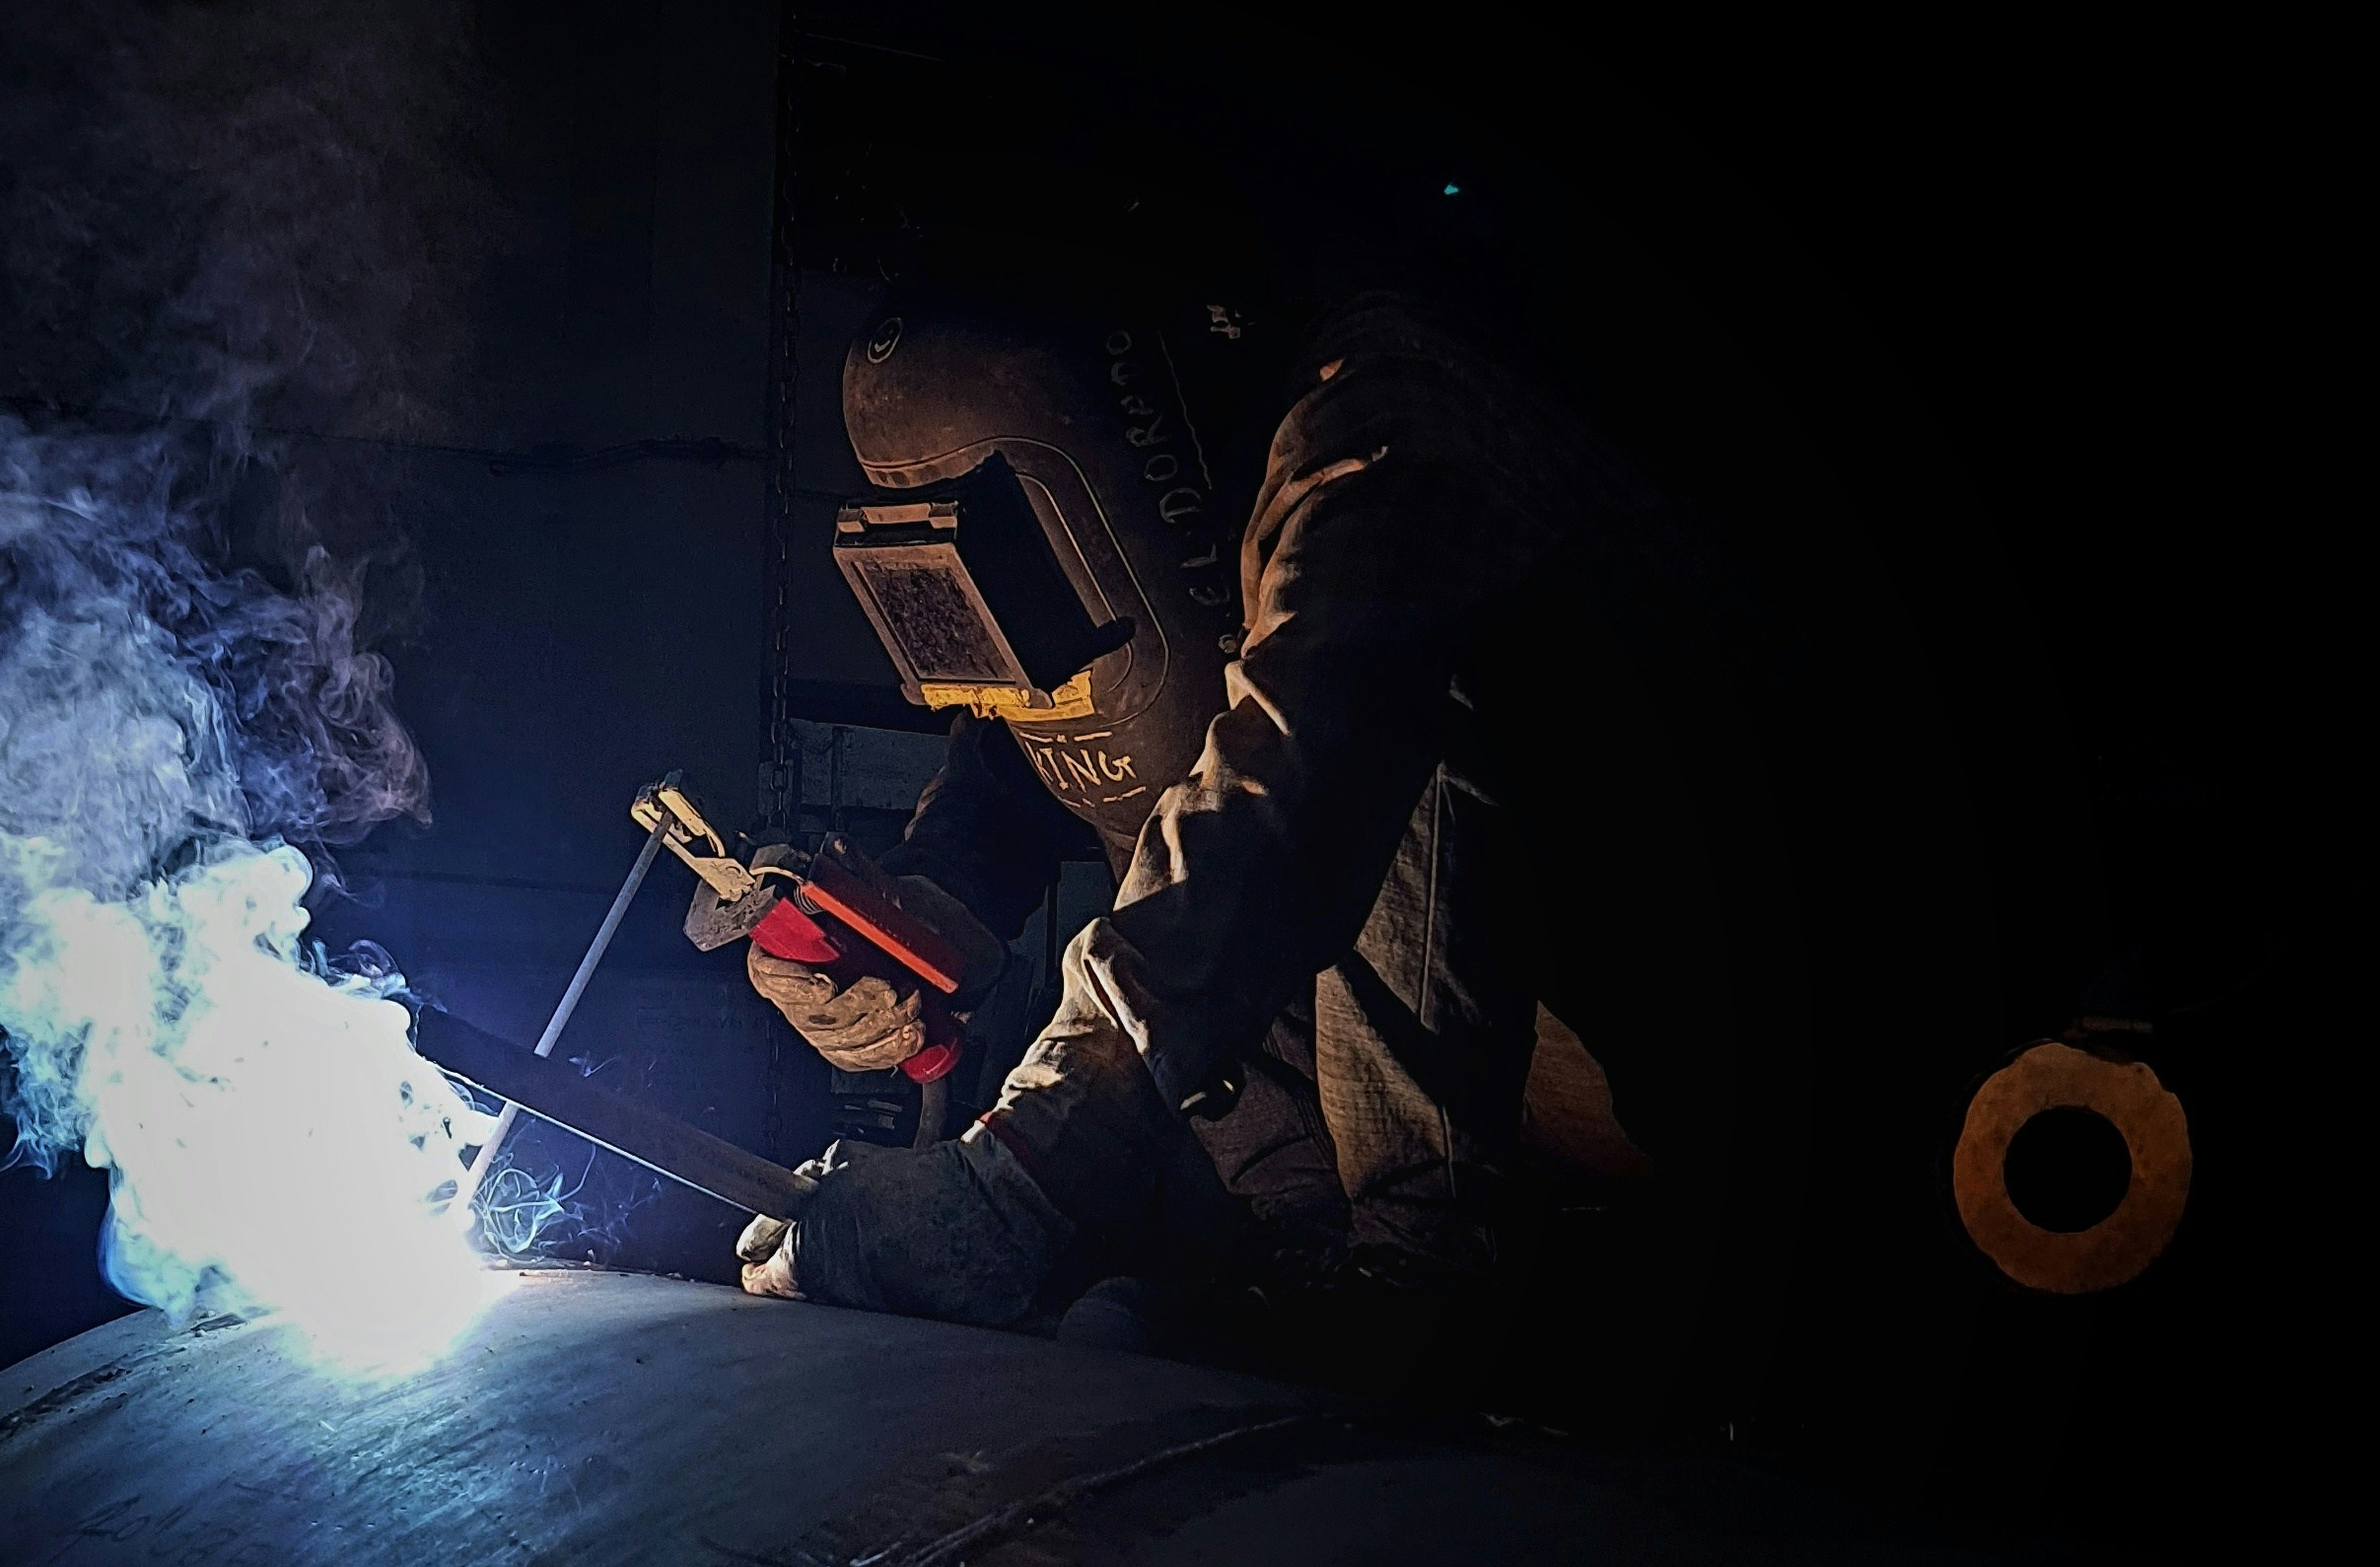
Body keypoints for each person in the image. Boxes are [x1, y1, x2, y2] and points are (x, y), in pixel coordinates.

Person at [739, 290, 1775, 1385]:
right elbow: (1031, 741)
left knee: (1374, 724)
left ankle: (1427, 1285)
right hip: (1396, 1076)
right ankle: (1300, 1242)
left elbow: (1301, 770)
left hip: (1671, 1028)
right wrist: (914, 909)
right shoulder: (1105, 530)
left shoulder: (1390, 413)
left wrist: (1028, 1161)